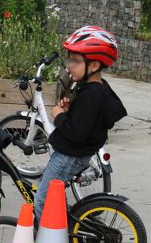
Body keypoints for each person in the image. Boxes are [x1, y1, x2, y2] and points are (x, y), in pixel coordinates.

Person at [32, 25, 127, 220]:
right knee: (52, 193)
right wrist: (71, 110)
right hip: (78, 154)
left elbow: (76, 133)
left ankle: (50, 242)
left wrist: (59, 115)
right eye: (69, 59)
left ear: (93, 66)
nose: (69, 66)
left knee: (43, 200)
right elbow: (89, 121)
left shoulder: (90, 95)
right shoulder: (98, 88)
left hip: (69, 156)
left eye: (75, 61)